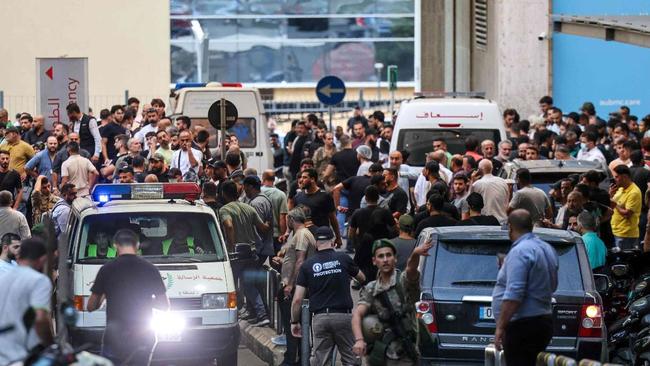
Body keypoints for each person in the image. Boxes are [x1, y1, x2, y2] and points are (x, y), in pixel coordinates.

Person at [86, 229, 169, 365]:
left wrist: (108, 294)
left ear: (115, 245)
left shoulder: (107, 269)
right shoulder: (150, 269)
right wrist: (145, 299)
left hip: (115, 338)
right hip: (143, 337)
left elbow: (91, 306)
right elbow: (164, 306)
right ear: (137, 245)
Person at [291, 226, 366, 366]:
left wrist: (294, 321)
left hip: (320, 319)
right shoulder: (343, 258)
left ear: (315, 243)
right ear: (332, 241)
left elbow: (297, 300)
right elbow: (362, 278)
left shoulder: (307, 265)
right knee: (352, 359)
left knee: (320, 361)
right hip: (343, 317)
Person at [351, 238, 433, 365]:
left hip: (406, 354)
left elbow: (411, 269)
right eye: (381, 256)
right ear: (374, 261)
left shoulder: (402, 281)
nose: (385, 259)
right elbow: (357, 314)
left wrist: (416, 253)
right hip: (381, 355)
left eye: (389, 255)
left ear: (395, 259)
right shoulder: (371, 288)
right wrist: (359, 340)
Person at [492, 209, 558, 366]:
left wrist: (500, 327)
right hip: (543, 321)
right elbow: (553, 285)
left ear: (510, 227)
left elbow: (514, 294)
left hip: (523, 325)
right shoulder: (547, 248)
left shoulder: (520, 251)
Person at [219, 180, 271, 326]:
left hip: (236, 255)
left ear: (223, 194)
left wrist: (232, 245)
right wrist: (269, 222)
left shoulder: (224, 209)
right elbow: (263, 228)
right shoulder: (249, 208)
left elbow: (228, 226)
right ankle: (262, 315)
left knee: (232, 285)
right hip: (251, 252)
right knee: (249, 285)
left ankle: (233, 314)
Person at [0, 238, 54, 365]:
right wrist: (50, 344)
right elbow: (40, 319)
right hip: (22, 356)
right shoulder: (39, 281)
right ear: (42, 260)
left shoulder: (3, 277)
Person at [276, 208, 316, 365]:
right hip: (296, 285)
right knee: (295, 324)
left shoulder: (301, 235)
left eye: (287, 219)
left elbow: (300, 260)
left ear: (291, 219)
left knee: (292, 323)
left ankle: (291, 359)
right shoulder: (303, 234)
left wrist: (290, 285)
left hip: (295, 288)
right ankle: (298, 357)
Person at [350, 185, 397, 282]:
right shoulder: (385, 212)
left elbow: (351, 233)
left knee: (366, 278)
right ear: (378, 197)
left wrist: (356, 245)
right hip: (382, 248)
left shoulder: (357, 213)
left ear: (365, 198)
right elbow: (395, 229)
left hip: (364, 250)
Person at [293, 169, 342, 247]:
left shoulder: (325, 196)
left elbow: (332, 218)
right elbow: (295, 219)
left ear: (312, 179)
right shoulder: (297, 197)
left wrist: (338, 237)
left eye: (305, 177)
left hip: (322, 239)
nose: (301, 180)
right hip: (303, 240)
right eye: (301, 177)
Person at [610, 164, 642, 249]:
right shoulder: (620, 189)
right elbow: (611, 204)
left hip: (626, 235)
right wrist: (610, 195)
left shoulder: (634, 192)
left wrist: (615, 203)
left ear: (624, 177)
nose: (614, 179)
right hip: (615, 231)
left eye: (616, 177)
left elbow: (627, 214)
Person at [470, 159, 510, 224]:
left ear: (479, 170)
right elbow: (507, 202)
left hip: (487, 223)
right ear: (492, 168)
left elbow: (469, 201)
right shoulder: (503, 182)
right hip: (503, 221)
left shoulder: (477, 184)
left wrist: (472, 181)